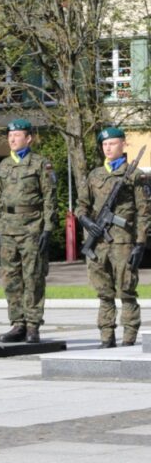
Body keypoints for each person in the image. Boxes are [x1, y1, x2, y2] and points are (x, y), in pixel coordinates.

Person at [76, 127, 151, 348]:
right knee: (104, 293)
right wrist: (87, 222)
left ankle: (129, 337)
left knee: (126, 290)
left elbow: (144, 212)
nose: (108, 148)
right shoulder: (94, 175)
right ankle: (106, 336)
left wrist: (140, 243)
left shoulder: (135, 176)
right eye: (105, 144)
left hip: (123, 243)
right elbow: (81, 206)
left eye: (113, 143)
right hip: (97, 244)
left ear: (123, 145)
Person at [0, 120, 57, 344]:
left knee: (33, 278)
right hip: (8, 227)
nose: (12, 139)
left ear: (28, 138)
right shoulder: (3, 165)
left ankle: (33, 325)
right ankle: (18, 324)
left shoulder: (40, 164)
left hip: (32, 226)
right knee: (11, 278)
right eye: (10, 135)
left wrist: (48, 228)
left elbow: (50, 198)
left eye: (17, 135)